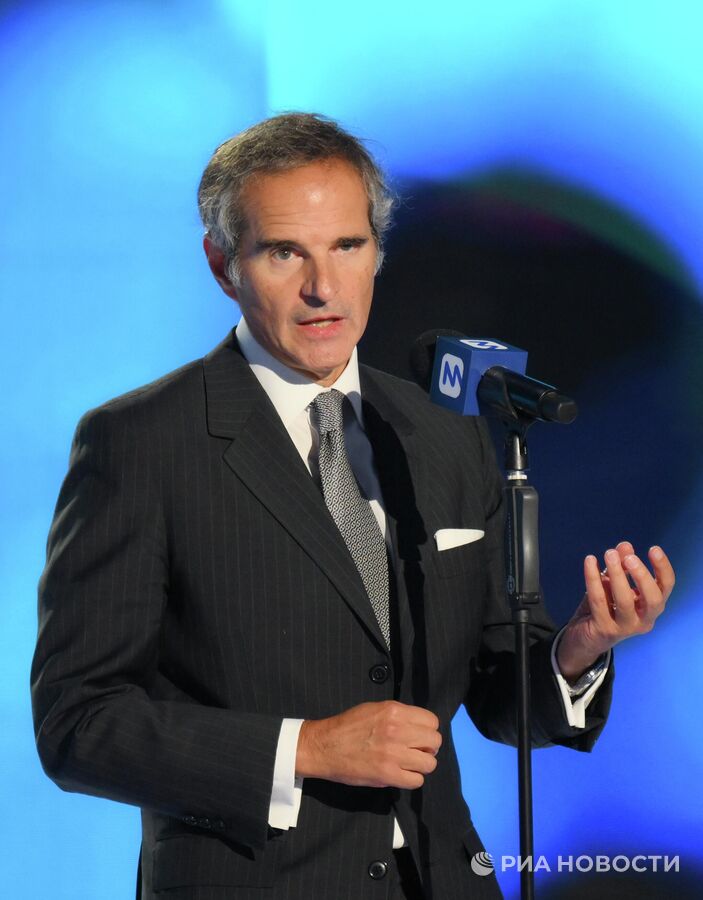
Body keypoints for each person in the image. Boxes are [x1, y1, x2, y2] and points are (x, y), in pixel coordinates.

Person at [31, 113, 674, 900]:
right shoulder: (140, 442)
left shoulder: (443, 435)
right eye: (283, 252)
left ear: (377, 252)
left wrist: (577, 648)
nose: (322, 288)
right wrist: (306, 748)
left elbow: (499, 697)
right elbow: (78, 724)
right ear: (222, 264)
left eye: (346, 246)